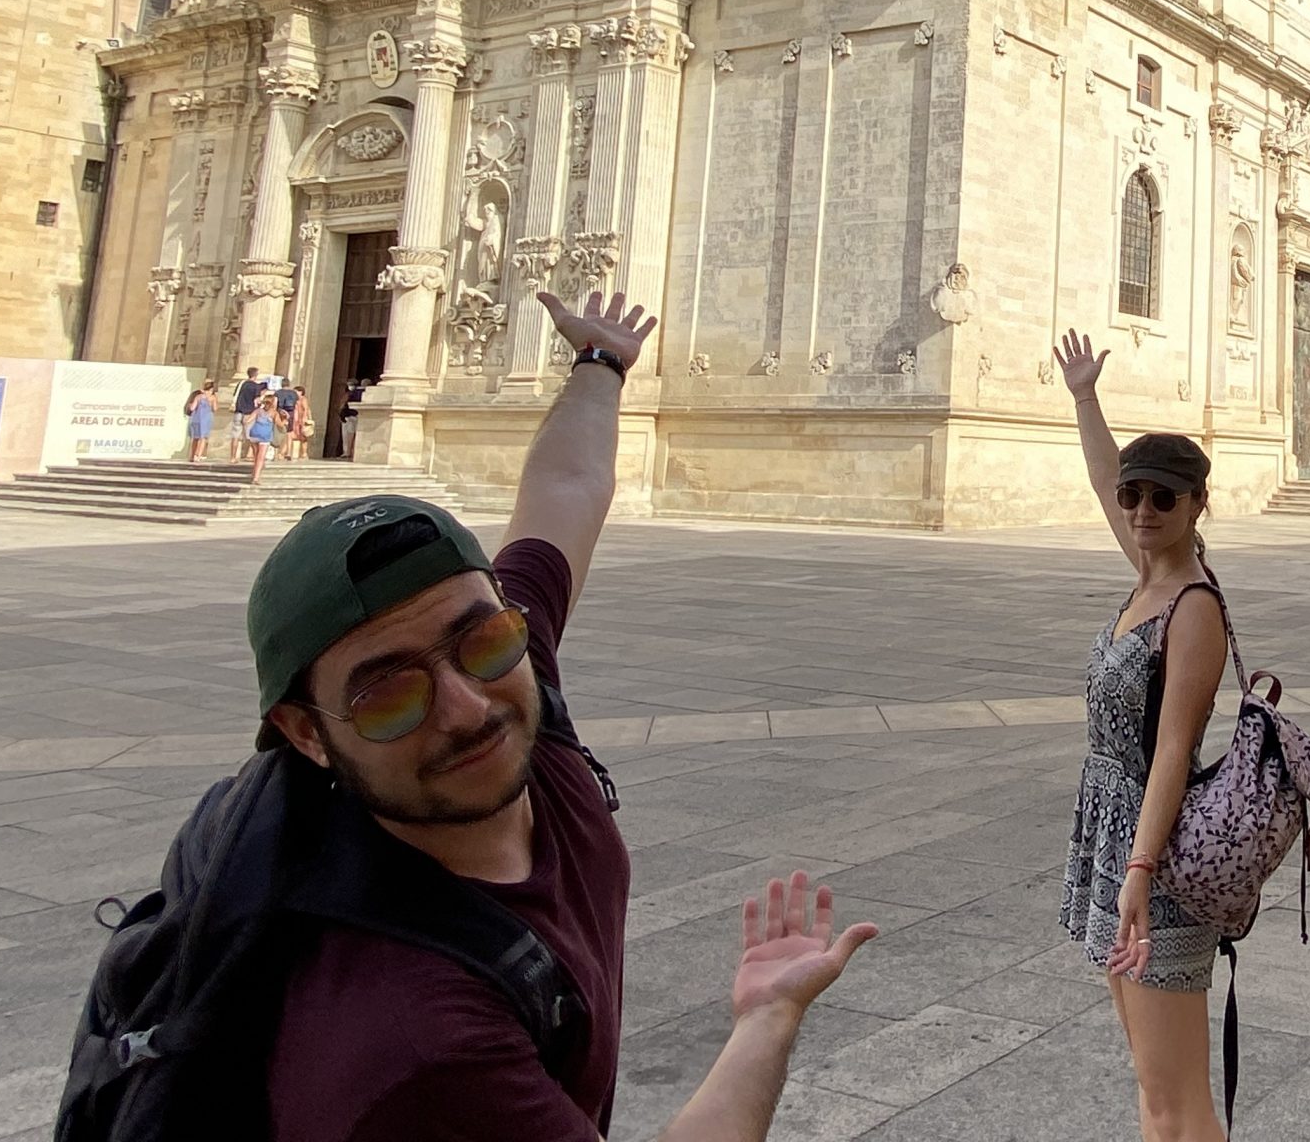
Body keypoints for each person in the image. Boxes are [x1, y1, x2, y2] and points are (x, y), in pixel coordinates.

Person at [256, 291, 876, 1138]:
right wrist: (766, 1025)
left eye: (482, 642)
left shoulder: (516, 681)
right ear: (303, 730)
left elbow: (565, 490)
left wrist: (600, 366)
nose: (468, 707)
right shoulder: (417, 1036)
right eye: (390, 693)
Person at [1053, 328, 1231, 1142]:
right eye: (1136, 496)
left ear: (1199, 503)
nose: (1141, 510)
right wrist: (1086, 397)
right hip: (1116, 845)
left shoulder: (1192, 608)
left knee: (1177, 1099)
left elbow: (1171, 750)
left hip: (1150, 859)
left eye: (1164, 496)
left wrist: (1137, 869)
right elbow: (1102, 478)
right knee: (1152, 1081)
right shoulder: (1149, 572)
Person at [232, 366, 265, 463]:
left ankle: (233, 457)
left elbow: (235, 395)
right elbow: (257, 401)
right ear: (256, 375)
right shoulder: (256, 387)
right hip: (249, 413)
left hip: (238, 411)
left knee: (235, 436)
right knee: (250, 436)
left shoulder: (240, 384)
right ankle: (253, 456)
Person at [246, 391, 279, 482]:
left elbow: (248, 421)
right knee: (261, 457)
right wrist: (285, 419)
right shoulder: (274, 413)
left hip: (254, 435)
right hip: (265, 436)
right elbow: (280, 425)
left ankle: (254, 472)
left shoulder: (257, 411)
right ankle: (256, 477)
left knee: (256, 456)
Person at [185, 380, 219, 463]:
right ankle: (198, 455)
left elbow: (192, 408)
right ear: (211, 389)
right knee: (203, 438)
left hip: (196, 418)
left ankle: (192, 456)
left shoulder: (198, 397)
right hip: (206, 419)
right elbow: (215, 409)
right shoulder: (212, 397)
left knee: (195, 438)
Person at [275, 382, 304, 461]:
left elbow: (274, 403)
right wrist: (299, 417)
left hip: (280, 412)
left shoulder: (278, 392)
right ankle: (288, 452)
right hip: (291, 413)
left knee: (278, 431)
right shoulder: (293, 393)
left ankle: (278, 453)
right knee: (289, 432)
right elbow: (298, 405)